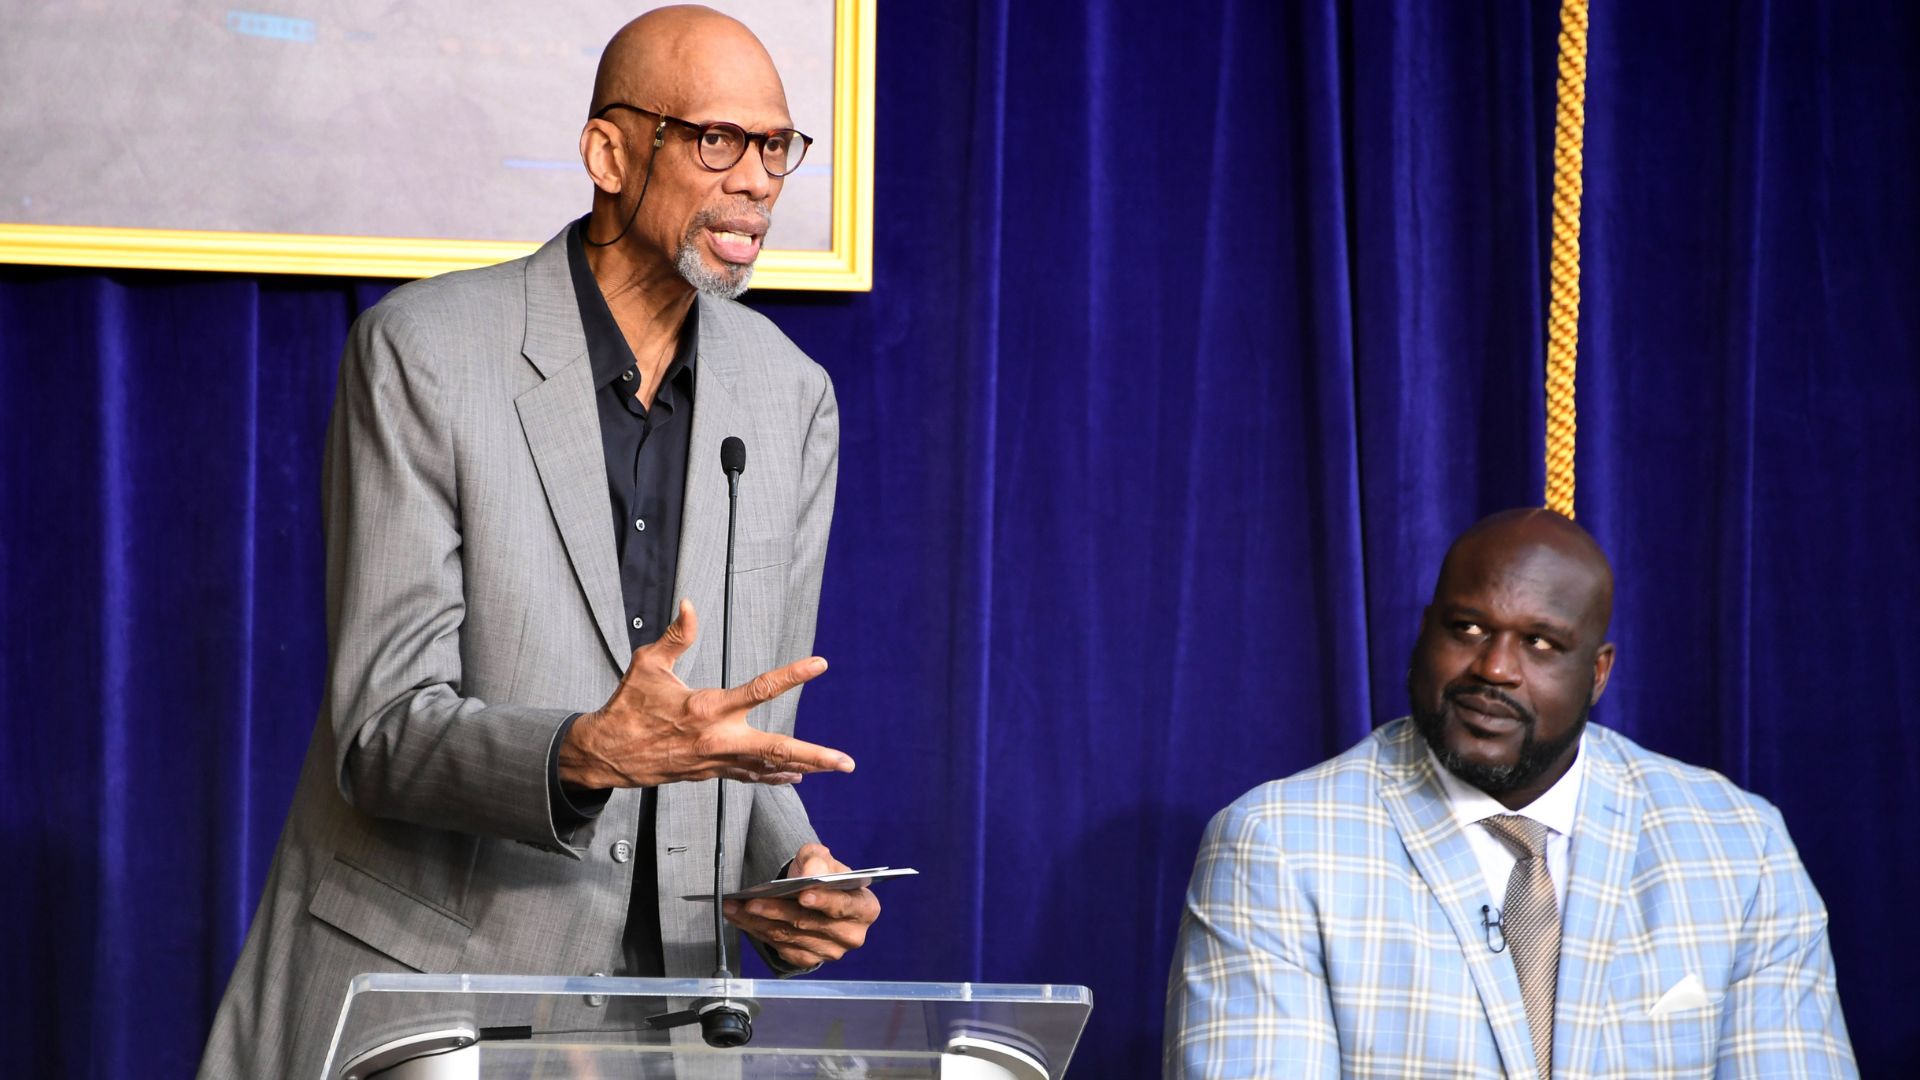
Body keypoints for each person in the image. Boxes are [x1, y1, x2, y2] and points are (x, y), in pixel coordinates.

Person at [198, 8, 879, 1076]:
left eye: (777, 147)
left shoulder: (791, 398)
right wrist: (583, 752)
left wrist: (788, 872)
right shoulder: (426, 355)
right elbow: (381, 729)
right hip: (431, 1001)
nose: (756, 179)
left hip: (669, 1026)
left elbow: (731, 741)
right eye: (716, 140)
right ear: (610, 152)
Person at [1164, 509, 1855, 1078]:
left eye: (1542, 643)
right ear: (1423, 634)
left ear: (1598, 672)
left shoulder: (1739, 847)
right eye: (1466, 629)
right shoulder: (1280, 847)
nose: (1494, 668)